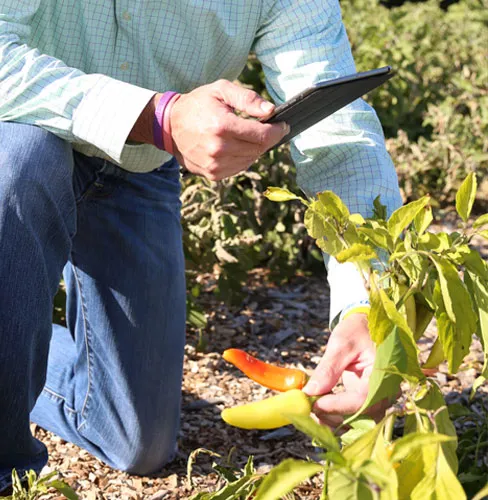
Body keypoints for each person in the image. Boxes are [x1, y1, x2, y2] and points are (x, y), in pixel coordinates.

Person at [0, 0, 403, 492]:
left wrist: (365, 305)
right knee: (20, 161)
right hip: (22, 133)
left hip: (139, 163)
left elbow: (338, 142)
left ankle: (15, 350)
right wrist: (157, 116)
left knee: (136, 441)